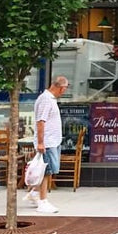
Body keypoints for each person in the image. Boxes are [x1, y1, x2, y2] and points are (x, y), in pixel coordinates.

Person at [24, 75, 68, 214]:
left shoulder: (49, 99)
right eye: (64, 89)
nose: (64, 92)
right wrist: (41, 142)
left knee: (49, 170)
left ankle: (35, 193)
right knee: (46, 171)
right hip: (47, 142)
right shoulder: (46, 100)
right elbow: (40, 122)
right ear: (60, 88)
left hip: (52, 141)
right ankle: (43, 201)